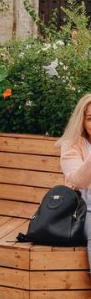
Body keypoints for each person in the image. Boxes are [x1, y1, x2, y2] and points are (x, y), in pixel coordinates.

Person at [59, 93, 91, 250]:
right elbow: (79, 181)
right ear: (82, 121)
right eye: (90, 119)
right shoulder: (71, 144)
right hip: (84, 211)